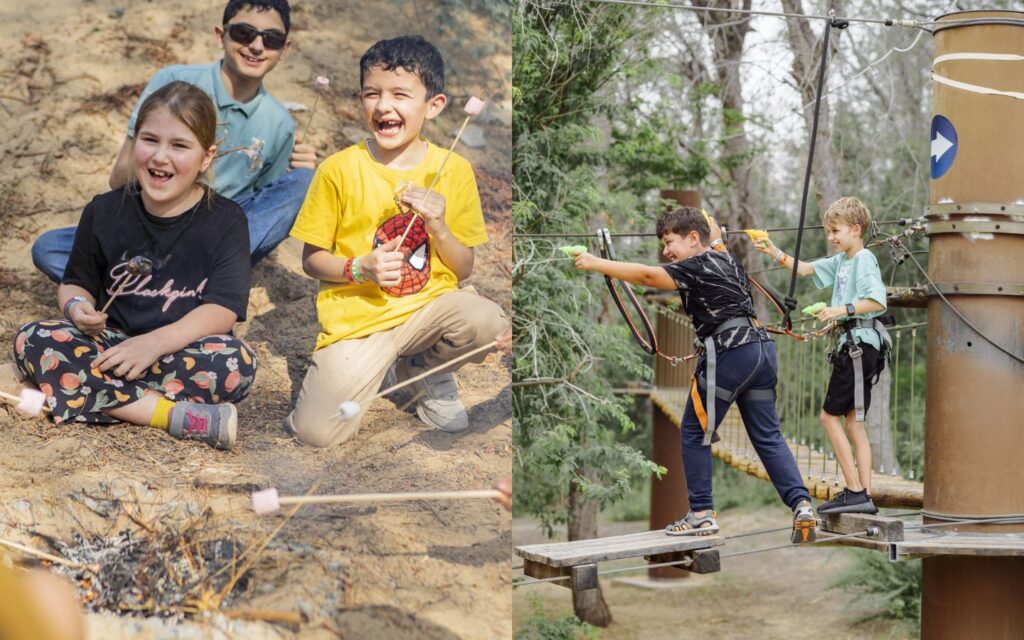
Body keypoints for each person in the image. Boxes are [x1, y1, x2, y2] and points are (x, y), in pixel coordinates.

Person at [286, 35, 507, 448]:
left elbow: (463, 269)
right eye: (373, 94)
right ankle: (380, 366)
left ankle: (423, 371)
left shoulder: (453, 169)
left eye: (400, 95)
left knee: (487, 322)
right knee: (315, 434)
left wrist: (439, 226)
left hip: (428, 312)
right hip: (358, 326)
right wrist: (359, 268)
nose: (384, 106)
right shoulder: (338, 170)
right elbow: (312, 260)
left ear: (434, 105)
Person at [12, 81, 257, 450]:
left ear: (206, 157)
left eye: (179, 146)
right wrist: (77, 308)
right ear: (134, 143)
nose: (160, 157)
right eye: (150, 140)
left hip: (179, 350)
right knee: (34, 338)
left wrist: (154, 344)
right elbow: (75, 282)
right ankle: (171, 416)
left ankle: (55, 393)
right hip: (108, 347)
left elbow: (223, 309)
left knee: (237, 362)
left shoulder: (226, 220)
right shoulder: (104, 210)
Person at [572, 207, 817, 543]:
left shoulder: (696, 265)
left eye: (670, 242)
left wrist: (595, 262)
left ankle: (701, 513)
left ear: (692, 239)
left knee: (694, 430)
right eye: (663, 245)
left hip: (730, 354)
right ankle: (802, 505)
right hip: (761, 351)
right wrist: (710, 227)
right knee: (768, 436)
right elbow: (713, 237)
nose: (666, 252)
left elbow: (646, 277)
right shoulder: (723, 257)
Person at [31, 0, 316, 282]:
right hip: (146, 223)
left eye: (272, 39)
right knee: (50, 249)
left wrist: (297, 174)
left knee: (305, 182)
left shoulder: (280, 124)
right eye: (244, 33)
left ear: (285, 49)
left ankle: (156, 282)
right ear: (221, 35)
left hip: (212, 237)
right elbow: (119, 179)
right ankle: (174, 284)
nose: (256, 45)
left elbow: (258, 213)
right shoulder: (174, 81)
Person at [753, 196, 888, 514]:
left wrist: (839, 310)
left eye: (835, 231)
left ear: (856, 229)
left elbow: (877, 301)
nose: (831, 237)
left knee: (828, 418)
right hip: (854, 346)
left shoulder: (864, 258)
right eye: (828, 231)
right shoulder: (842, 261)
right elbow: (807, 269)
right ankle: (863, 495)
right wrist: (774, 252)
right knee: (854, 424)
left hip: (859, 346)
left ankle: (855, 490)